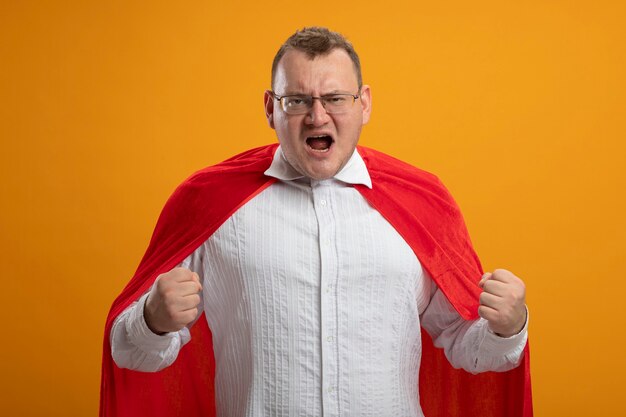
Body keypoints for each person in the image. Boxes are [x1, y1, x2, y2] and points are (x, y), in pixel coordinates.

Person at [100, 27, 532, 417]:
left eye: (335, 98)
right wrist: (152, 320)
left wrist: (508, 327)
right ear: (271, 108)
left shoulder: (421, 201)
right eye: (298, 100)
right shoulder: (209, 204)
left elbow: (467, 346)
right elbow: (130, 353)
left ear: (364, 104)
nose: (317, 116)